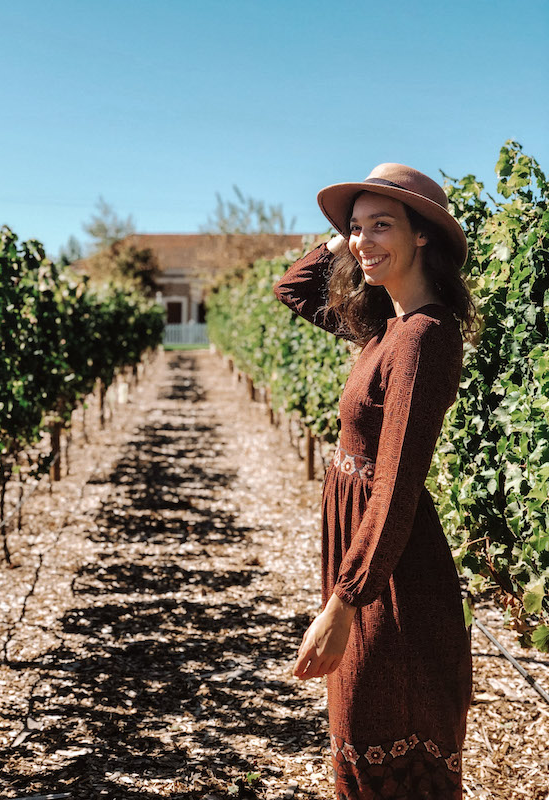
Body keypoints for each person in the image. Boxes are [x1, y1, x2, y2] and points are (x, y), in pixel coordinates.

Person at [273, 163, 476, 799]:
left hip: (392, 575)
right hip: (366, 555)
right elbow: (294, 289)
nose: (363, 241)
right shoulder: (384, 327)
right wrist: (346, 237)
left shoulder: (421, 338)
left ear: (424, 237)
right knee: (360, 738)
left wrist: (344, 601)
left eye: (382, 226)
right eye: (357, 228)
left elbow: (395, 484)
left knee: (382, 747)